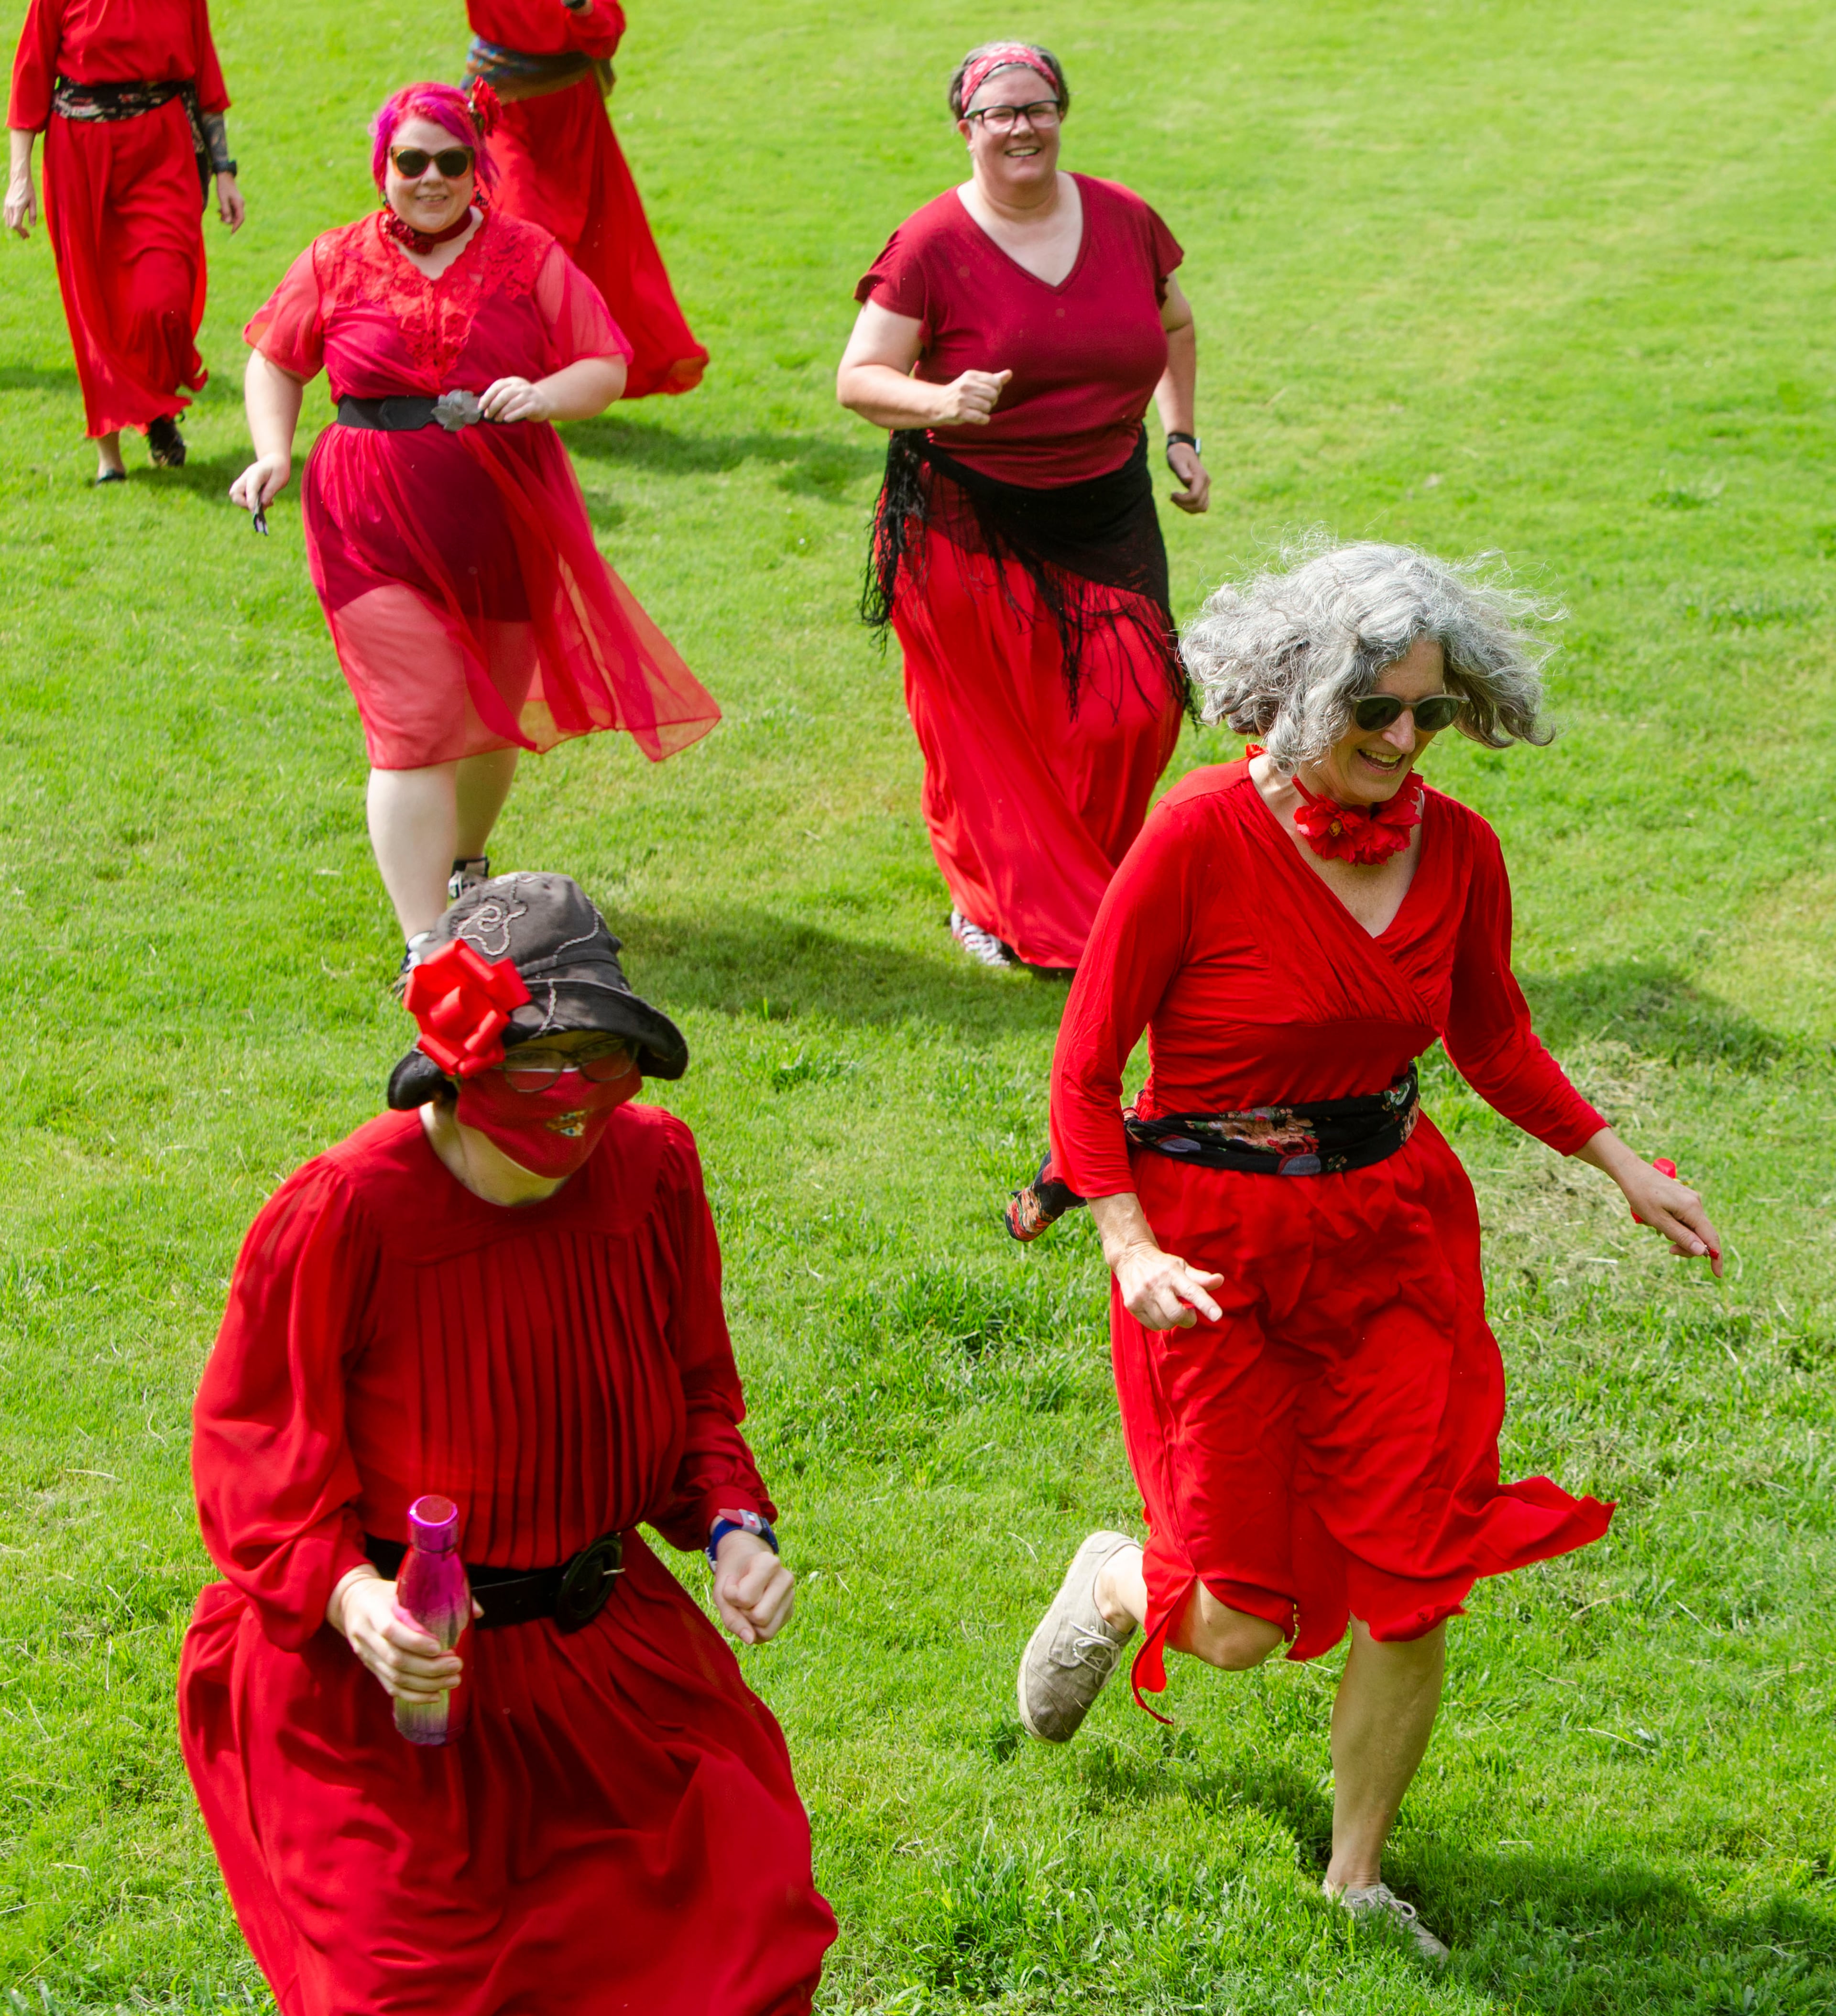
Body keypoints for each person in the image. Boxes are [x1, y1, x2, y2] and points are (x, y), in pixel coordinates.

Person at [1008, 544, 1723, 1958]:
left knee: (1414, 1571)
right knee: (1235, 1624)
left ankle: (1353, 1876)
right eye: (1373, 708)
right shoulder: (1196, 836)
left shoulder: (1456, 850)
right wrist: (1127, 1244)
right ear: (1296, 694)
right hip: (1212, 1250)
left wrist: (1620, 1166)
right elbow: (1083, 1073)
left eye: (1429, 711)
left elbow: (1491, 1038)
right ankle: (1113, 1581)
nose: (1403, 739)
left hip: (1392, 1237)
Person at [178, 872, 837, 2016]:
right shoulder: (346, 1208)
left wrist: (735, 1528)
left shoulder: (652, 1167)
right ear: (462, 1063)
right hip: (399, 1687)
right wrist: (355, 1603)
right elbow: (255, 1456)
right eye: (541, 1059)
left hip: (607, 1659)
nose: (575, 1097)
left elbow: (694, 1395)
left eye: (600, 1056)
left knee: (743, 1935)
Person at [228, 81, 718, 963]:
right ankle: (427, 945)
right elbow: (275, 358)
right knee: (415, 722)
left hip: (505, 515)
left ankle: (465, 864)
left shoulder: (527, 253)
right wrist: (273, 453)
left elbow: (605, 363)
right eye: (411, 160)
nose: (432, 178)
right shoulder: (334, 258)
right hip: (369, 523)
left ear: (476, 167)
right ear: (383, 165)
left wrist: (543, 393)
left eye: (452, 161)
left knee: (489, 714)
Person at [837, 39, 1210, 976]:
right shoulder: (931, 244)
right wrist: (939, 400)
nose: (1021, 127)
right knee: (990, 734)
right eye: (998, 112)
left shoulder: (1124, 219)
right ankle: (994, 906)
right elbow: (860, 378)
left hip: (1105, 502)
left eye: (1037, 107)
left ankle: (1071, 885)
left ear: (1061, 115)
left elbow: (1174, 323)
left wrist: (1182, 434)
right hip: (966, 513)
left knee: (1136, 707)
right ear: (966, 129)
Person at [5, 0, 245, 482]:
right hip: (80, 157)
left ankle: (153, 406)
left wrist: (225, 172)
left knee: (164, 302)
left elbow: (205, 79)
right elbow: (31, 77)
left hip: (162, 151)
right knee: (96, 310)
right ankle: (109, 456)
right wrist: (19, 177)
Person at [463, 1, 707, 397]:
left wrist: (581, 8)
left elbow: (606, 34)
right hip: (501, 108)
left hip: (572, 120)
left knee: (595, 250)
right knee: (514, 232)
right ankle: (493, 375)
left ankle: (549, 385)